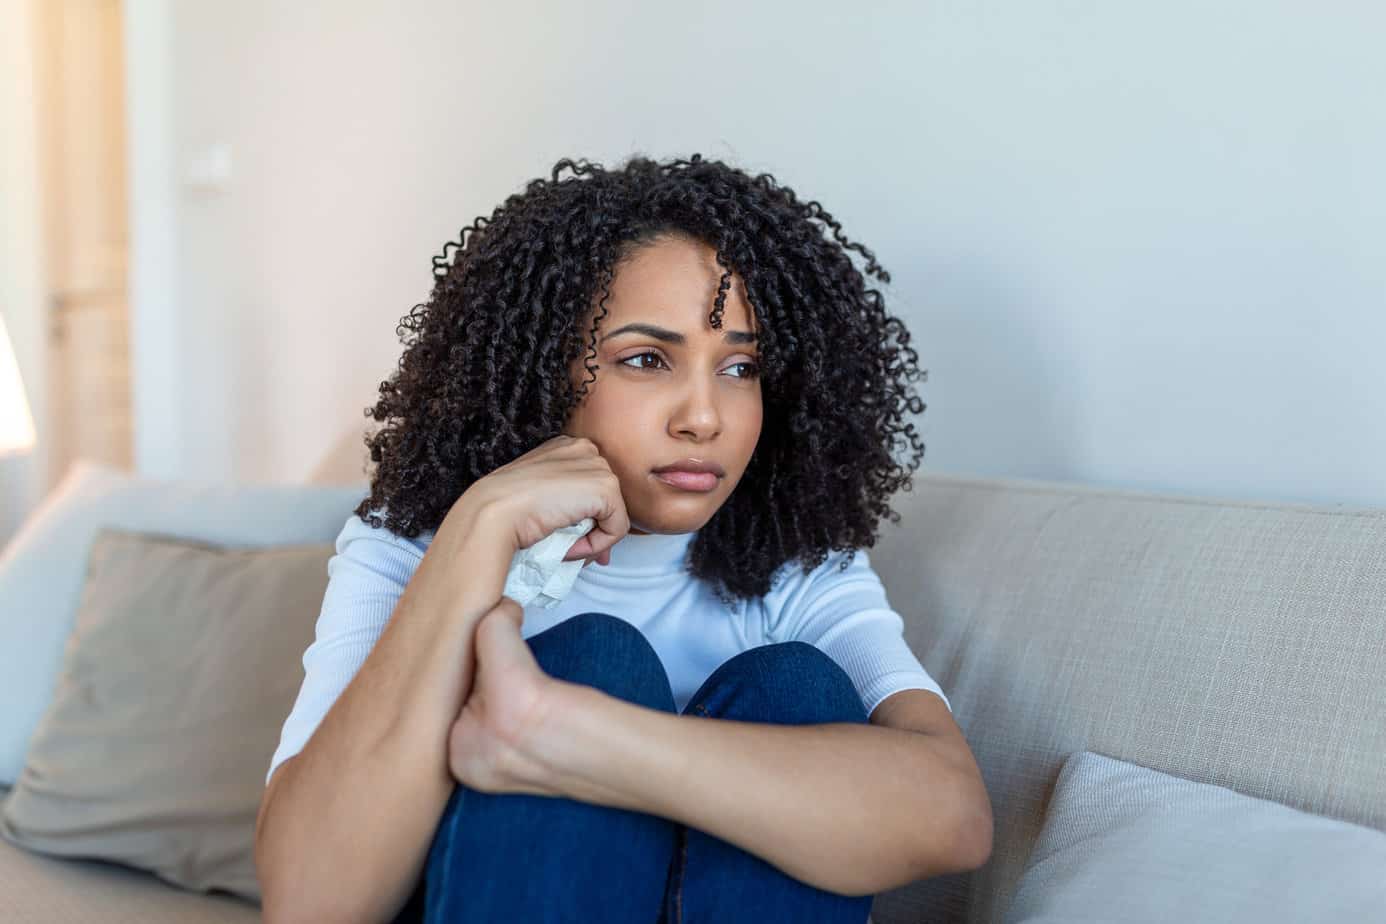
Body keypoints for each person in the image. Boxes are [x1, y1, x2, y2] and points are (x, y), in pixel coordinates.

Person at [253, 153, 993, 924]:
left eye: (740, 368)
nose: (704, 417)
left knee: (795, 688)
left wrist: (565, 732)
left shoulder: (798, 574)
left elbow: (956, 817)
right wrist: (473, 535)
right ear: (540, 371)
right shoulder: (407, 544)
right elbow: (310, 904)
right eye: (646, 360)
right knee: (595, 655)